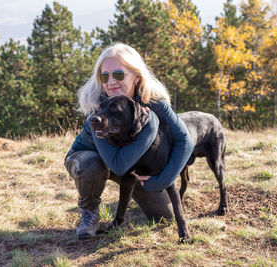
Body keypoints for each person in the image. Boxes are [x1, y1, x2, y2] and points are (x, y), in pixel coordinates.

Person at [64, 43, 194, 240]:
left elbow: (185, 141)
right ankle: (89, 211)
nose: (110, 82)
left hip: (132, 166)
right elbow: (118, 164)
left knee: (164, 217)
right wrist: (149, 126)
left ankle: (129, 199)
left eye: (118, 75)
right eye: (104, 76)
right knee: (93, 163)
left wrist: (163, 180)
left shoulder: (153, 102)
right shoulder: (98, 108)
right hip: (90, 161)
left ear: (137, 76)